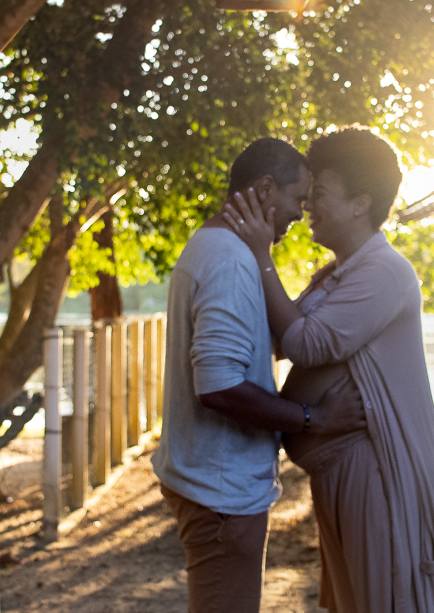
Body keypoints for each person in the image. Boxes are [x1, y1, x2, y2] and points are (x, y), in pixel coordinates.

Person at [223, 126, 434, 613]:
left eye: (320, 194)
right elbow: (277, 337)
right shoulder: (339, 272)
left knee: (386, 598)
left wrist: (259, 254)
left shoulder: (385, 272)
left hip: (377, 470)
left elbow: (308, 343)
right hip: (339, 471)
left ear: (360, 203)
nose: (308, 205)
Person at [152, 137, 367, 613]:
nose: (301, 212)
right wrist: (313, 418)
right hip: (221, 493)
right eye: (297, 198)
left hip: (212, 483)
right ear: (266, 187)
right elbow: (219, 386)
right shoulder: (229, 260)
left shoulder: (221, 248)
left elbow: (259, 343)